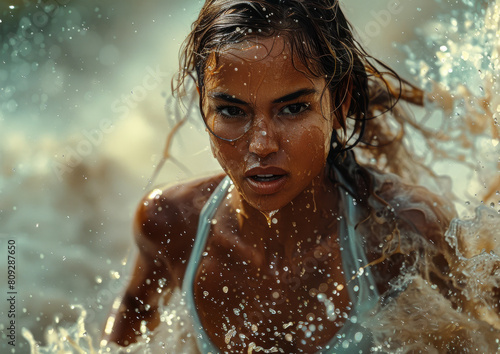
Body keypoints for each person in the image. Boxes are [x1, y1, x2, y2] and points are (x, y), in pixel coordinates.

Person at [103, 0, 499, 352]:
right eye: (232, 110)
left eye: (292, 109)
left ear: (340, 104)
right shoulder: (172, 225)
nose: (260, 144)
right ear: (204, 108)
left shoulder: (400, 237)